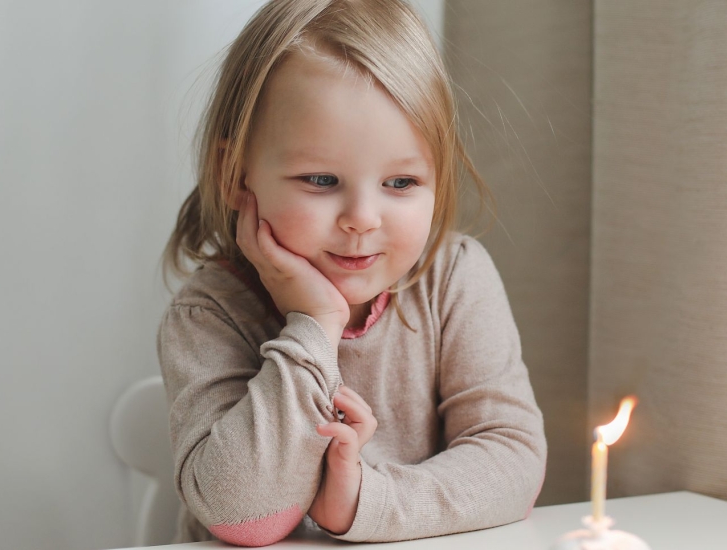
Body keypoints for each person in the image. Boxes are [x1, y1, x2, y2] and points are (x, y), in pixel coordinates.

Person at [157, 0, 547, 545]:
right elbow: (243, 517)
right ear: (234, 174)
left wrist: (365, 499)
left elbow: (513, 464)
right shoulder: (210, 314)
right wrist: (314, 323)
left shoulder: (453, 278)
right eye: (320, 180)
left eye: (402, 183)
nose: (362, 220)